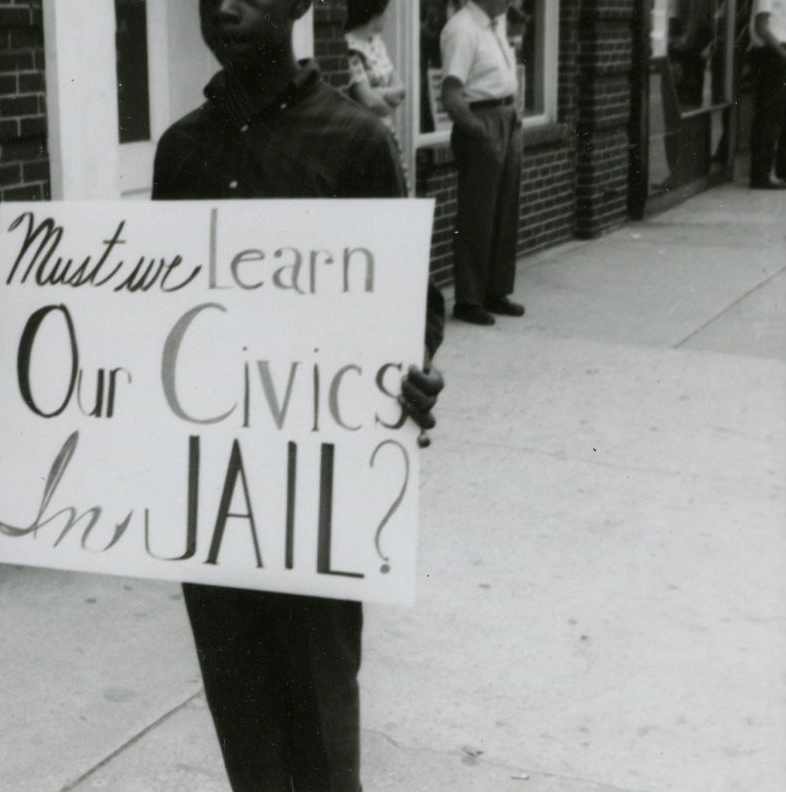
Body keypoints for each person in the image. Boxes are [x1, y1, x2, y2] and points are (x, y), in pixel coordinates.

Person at [152, 1, 446, 790]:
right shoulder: (180, 151)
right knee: (241, 712)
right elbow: (149, 317)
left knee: (318, 720)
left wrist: (409, 370)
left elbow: (412, 304)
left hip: (319, 496)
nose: (224, 5)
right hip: (214, 494)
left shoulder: (356, 142)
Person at [439, 0, 525, 325]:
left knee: (504, 210)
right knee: (477, 213)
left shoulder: (495, 25)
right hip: (482, 121)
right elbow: (451, 95)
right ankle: (469, 299)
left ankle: (495, 291)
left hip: (507, 117)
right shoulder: (462, 29)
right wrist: (478, 130)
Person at [344, 0, 410, 191]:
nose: (387, 16)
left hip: (387, 130)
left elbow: (401, 89)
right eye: (385, 11)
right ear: (374, 13)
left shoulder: (377, 45)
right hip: (365, 133)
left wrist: (379, 94)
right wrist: (384, 98)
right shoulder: (351, 48)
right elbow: (368, 101)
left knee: (397, 185)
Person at [747, 0, 786, 188]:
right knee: (769, 116)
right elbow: (761, 26)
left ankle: (766, 172)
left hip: (775, 53)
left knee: (773, 116)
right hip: (772, 53)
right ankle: (762, 174)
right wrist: (782, 52)